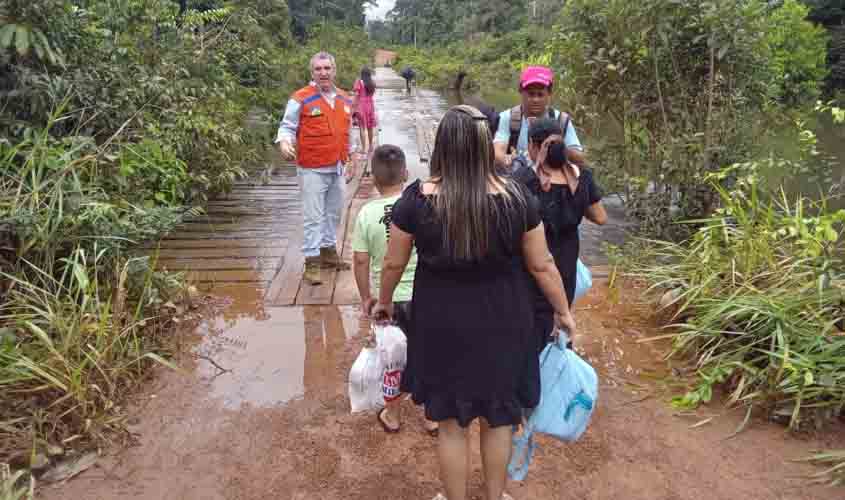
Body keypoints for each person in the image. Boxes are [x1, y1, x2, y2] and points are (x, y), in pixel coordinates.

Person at [372, 105, 576, 500]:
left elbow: (393, 261)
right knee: (499, 418)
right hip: (505, 319)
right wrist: (563, 311)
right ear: (486, 145)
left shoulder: (415, 199)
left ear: (442, 146)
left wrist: (383, 302)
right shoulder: (516, 196)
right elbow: (542, 264)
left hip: (441, 322)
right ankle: (495, 495)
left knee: (450, 423)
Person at [351, 144, 439, 436]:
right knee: (427, 353)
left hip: (389, 300)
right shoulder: (420, 205)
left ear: (373, 178)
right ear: (406, 173)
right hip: (424, 296)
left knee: (392, 359)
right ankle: (432, 416)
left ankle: (393, 413)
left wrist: (367, 298)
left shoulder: (366, 214)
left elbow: (361, 260)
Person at [513, 118, 607, 353]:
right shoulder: (581, 178)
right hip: (565, 265)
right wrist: (576, 202)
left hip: (531, 266)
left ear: (534, 147)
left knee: (531, 327)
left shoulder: (523, 180)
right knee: (561, 318)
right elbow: (600, 217)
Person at [276, 51, 356, 285]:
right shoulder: (300, 98)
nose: (323, 73)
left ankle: (328, 252)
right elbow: (287, 126)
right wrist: (284, 142)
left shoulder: (343, 98)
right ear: (312, 72)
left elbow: (348, 131)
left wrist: (353, 156)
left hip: (338, 165)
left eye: (327, 68)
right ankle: (311, 262)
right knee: (313, 216)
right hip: (312, 167)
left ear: (334, 70)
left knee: (334, 212)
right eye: (318, 69)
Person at [493, 66, 586, 171]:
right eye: (531, 94)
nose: (535, 99)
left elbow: (580, 159)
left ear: (549, 94)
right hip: (515, 180)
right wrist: (506, 159)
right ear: (521, 91)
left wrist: (556, 146)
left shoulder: (561, 120)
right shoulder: (507, 118)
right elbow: (497, 150)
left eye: (540, 94)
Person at [353, 66, 378, 153]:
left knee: (361, 128)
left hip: (361, 105)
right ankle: (371, 146)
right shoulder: (372, 83)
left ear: (362, 74)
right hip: (370, 105)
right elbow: (372, 94)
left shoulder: (359, 82)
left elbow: (356, 95)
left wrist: (353, 106)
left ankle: (364, 149)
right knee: (370, 127)